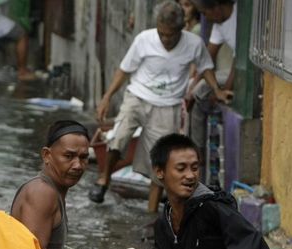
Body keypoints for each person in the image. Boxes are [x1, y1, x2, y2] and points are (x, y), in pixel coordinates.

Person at [92, 0, 231, 212]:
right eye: (161, 34)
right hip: (137, 97)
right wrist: (106, 97)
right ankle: (104, 180)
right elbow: (124, 70)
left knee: (161, 161)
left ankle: (151, 213)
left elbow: (206, 68)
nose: (165, 39)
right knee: (118, 137)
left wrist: (218, 91)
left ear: (182, 28)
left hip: (168, 107)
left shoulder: (194, 44)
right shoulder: (144, 40)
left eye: (170, 35)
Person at [11, 120, 102, 249]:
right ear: (47, 155)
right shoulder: (42, 192)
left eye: (84, 158)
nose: (78, 165)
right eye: (68, 156)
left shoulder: (53, 191)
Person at [188, 0, 236, 162]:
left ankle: (198, 152)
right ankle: (195, 149)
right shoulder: (219, 25)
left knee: (201, 93)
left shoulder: (238, 19)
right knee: (195, 91)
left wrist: (222, 93)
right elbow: (207, 58)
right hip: (229, 73)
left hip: (244, 74)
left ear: (217, 8)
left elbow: (239, 65)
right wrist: (192, 85)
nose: (205, 18)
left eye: (205, 13)